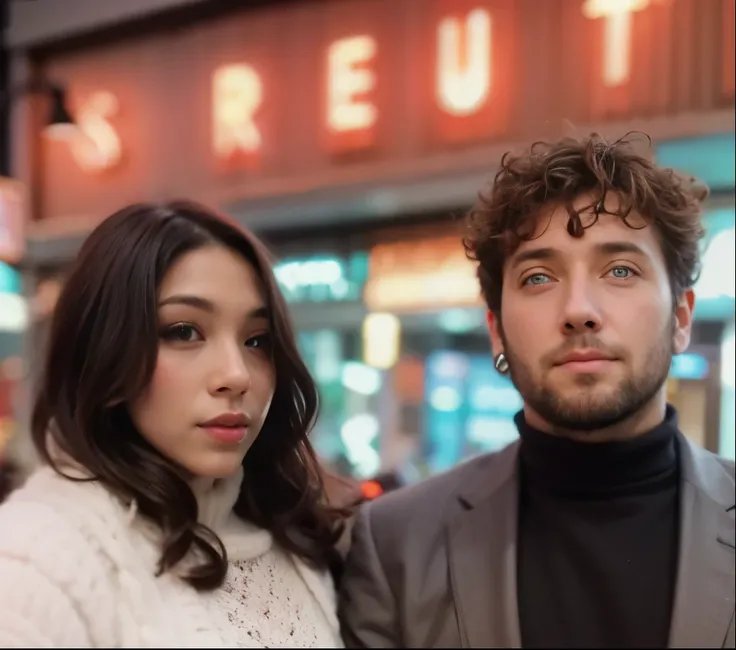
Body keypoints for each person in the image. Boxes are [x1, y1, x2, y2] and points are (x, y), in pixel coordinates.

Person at [339, 133, 736, 649]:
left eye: (620, 270)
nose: (578, 310)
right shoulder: (396, 544)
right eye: (538, 277)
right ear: (497, 328)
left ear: (681, 317)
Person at [0, 201, 349, 647]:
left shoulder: (293, 543)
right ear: (106, 348)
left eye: (256, 340)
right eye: (184, 331)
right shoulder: (39, 558)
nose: (236, 374)